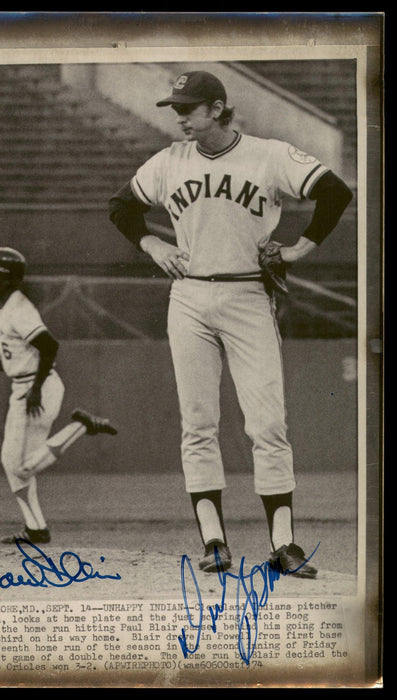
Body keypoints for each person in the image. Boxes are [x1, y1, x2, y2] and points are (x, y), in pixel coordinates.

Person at [108, 70, 353, 578]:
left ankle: (284, 544)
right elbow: (121, 206)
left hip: (247, 293)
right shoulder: (169, 161)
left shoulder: (269, 155)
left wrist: (299, 248)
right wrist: (152, 244)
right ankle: (213, 541)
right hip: (190, 295)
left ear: (217, 108)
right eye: (176, 109)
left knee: (267, 423)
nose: (180, 117)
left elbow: (334, 192)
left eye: (188, 108)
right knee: (198, 423)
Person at [0, 246, 117, 544]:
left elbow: (49, 346)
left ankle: (81, 426)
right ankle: (36, 528)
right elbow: (19, 360)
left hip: (38, 388)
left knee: (20, 466)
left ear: (8, 279)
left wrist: (35, 389)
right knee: (13, 463)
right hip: (26, 386)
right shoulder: (6, 309)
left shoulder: (19, 310)